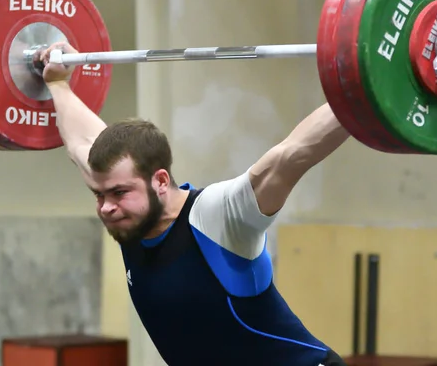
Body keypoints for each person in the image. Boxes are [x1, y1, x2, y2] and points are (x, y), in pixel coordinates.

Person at [40, 42, 350, 366]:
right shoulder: (129, 214)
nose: (106, 207)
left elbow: (291, 155)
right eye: (99, 195)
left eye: (118, 193)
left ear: (160, 181)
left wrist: (360, 94)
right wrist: (57, 83)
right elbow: (81, 143)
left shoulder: (217, 216)